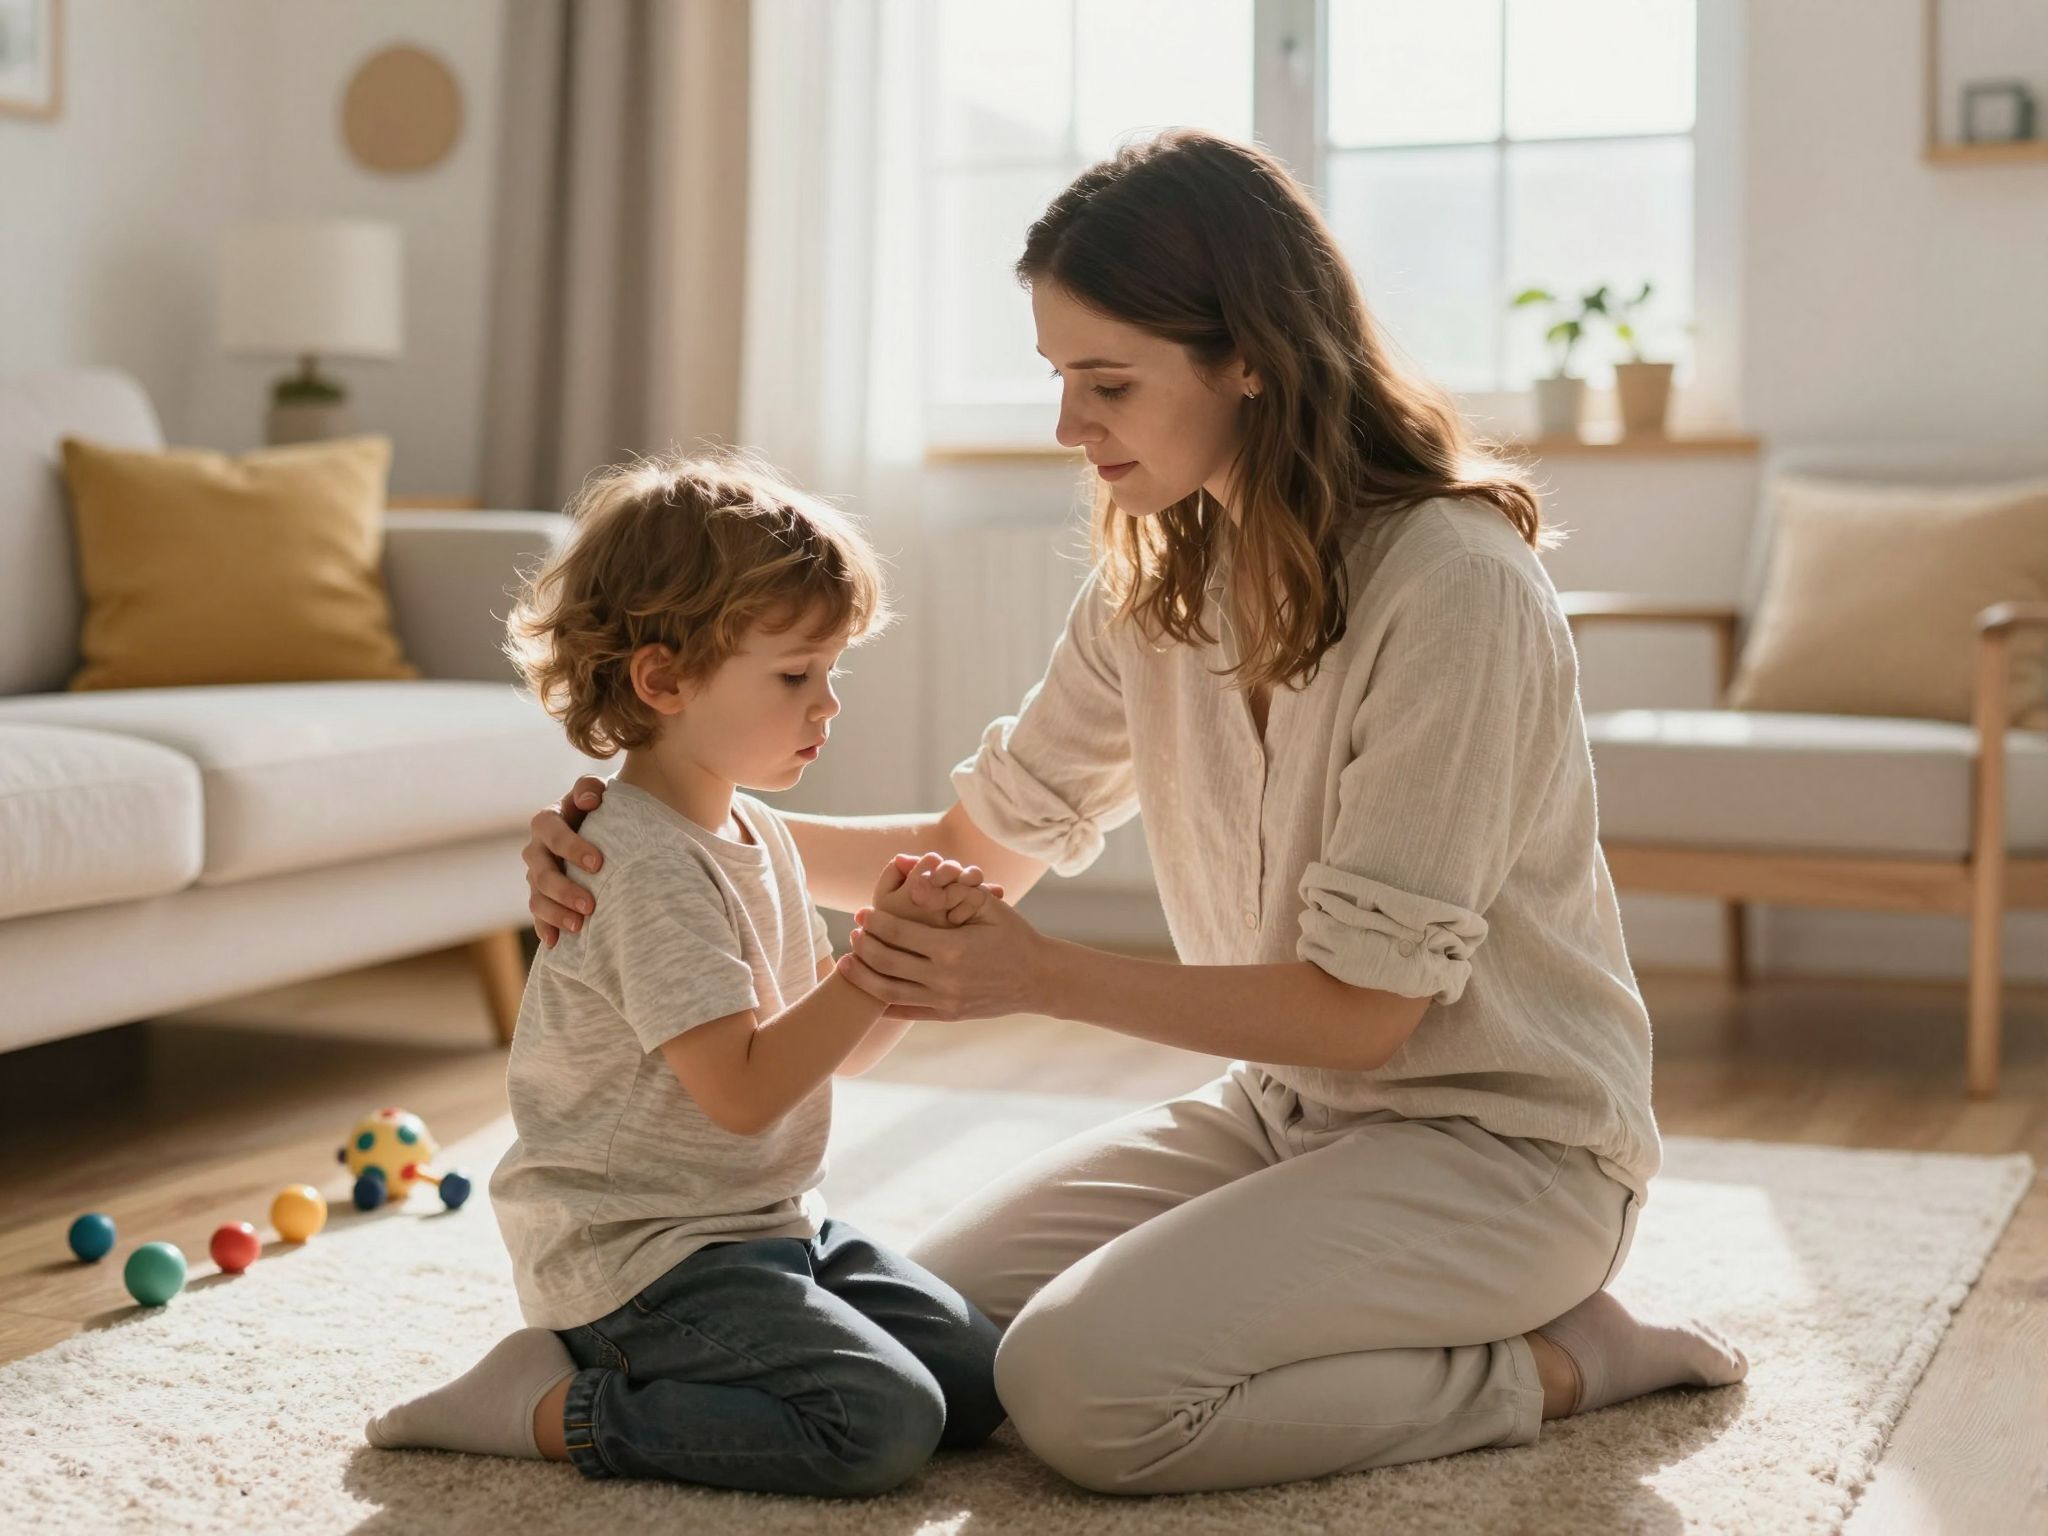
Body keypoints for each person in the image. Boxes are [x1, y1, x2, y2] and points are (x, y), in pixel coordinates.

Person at [523, 131, 1747, 1497]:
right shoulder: (1162, 582)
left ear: (1252, 357)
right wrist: (659, 824)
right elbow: (970, 844)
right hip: (1287, 1115)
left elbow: (1365, 1014)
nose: (1068, 427)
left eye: (1107, 383)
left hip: (1503, 1152)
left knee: (1081, 1394)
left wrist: (1042, 978)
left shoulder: (1454, 585)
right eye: (1059, 378)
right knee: (937, 1353)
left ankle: (1560, 1360)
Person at [367, 455, 1007, 1496]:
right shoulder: (645, 868)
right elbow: (743, 1092)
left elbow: (802, 1059)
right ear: (662, 680)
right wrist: (863, 976)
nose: (827, 704)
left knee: (981, 1389)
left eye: (831, 671)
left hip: (763, 1221)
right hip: (640, 1260)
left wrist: (883, 967)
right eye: (796, 675)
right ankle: (546, 1403)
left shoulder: (753, 829)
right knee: (879, 1424)